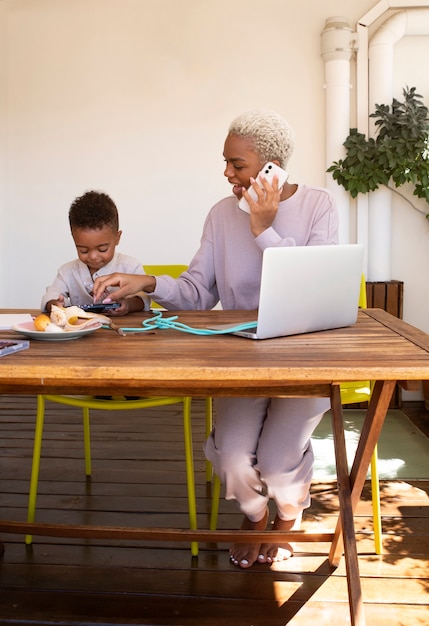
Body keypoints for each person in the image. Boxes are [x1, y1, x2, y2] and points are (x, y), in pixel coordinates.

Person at [93, 109, 339, 568]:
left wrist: (264, 228)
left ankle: (287, 517)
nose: (226, 172)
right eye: (227, 162)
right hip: (243, 358)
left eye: (237, 164)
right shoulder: (221, 215)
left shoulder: (318, 206)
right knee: (231, 458)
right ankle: (252, 514)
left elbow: (314, 287)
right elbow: (195, 295)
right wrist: (147, 283)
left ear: (272, 167)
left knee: (280, 460)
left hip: (306, 357)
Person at [41, 190, 150, 315]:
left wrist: (128, 305)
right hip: (80, 330)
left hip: (121, 330)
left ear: (117, 238)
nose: (93, 256)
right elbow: (51, 295)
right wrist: (55, 304)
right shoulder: (67, 271)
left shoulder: (130, 266)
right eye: (83, 250)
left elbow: (144, 298)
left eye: (102, 249)